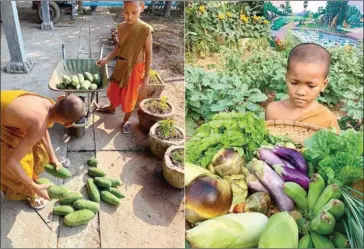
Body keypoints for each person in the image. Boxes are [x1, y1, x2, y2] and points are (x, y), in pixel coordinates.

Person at [1, 90, 85, 208]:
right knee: (20, 167)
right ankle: (29, 193)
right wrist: (34, 187)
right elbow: (11, 163)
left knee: (39, 149)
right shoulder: (38, 124)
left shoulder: (47, 103)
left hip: (6, 106)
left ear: (60, 98)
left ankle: (33, 176)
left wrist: (52, 156)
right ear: (68, 124)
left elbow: (42, 127)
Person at [94, 1, 153, 134]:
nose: (129, 16)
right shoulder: (121, 27)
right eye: (126, 12)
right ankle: (111, 107)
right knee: (113, 90)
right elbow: (119, 47)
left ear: (142, 8)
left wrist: (147, 76)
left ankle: (126, 120)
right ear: (123, 10)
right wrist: (106, 59)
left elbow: (149, 54)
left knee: (130, 97)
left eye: (134, 12)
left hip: (135, 69)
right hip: (121, 64)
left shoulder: (145, 30)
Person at [265, 43, 340, 133]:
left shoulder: (327, 119)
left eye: (311, 86)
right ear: (286, 78)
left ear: (324, 85)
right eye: (294, 83)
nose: (300, 92)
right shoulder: (273, 110)